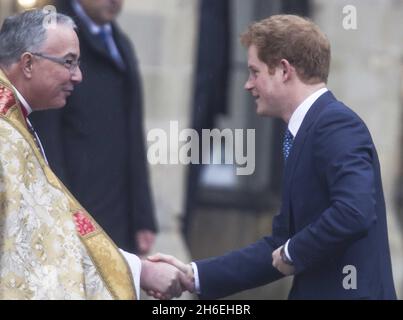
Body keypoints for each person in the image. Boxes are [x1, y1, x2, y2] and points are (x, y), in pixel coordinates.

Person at [149, 14, 397, 300]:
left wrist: (293, 250)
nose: (248, 84)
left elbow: (355, 211)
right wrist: (195, 276)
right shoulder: (306, 130)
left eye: (254, 72)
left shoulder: (335, 123)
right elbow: (279, 246)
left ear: (283, 70)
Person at [0, 9, 190, 300]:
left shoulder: (15, 122)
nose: (78, 76)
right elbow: (46, 242)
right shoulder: (7, 138)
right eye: (68, 63)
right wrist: (139, 271)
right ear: (27, 63)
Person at [29, 0, 157, 255]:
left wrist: (143, 217)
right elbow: (45, 139)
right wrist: (63, 212)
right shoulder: (51, 36)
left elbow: (132, 134)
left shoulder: (120, 43)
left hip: (118, 217)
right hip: (78, 213)